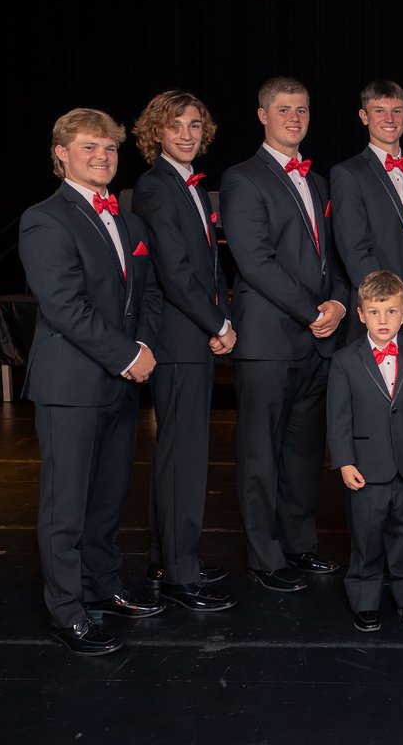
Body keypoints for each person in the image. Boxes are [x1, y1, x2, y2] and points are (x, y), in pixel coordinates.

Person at [19, 108, 165, 655]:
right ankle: (68, 612)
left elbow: (148, 294)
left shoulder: (128, 220)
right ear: (61, 154)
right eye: (89, 147)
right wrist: (128, 355)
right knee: (66, 507)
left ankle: (102, 587)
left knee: (108, 499)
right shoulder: (44, 219)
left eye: (109, 148)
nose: (102, 157)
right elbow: (65, 306)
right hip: (71, 386)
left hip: (120, 383)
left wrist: (143, 347)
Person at [221, 76, 350, 592]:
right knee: (260, 453)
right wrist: (312, 310)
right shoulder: (242, 178)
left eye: (302, 110)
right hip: (268, 341)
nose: (294, 118)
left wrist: (338, 302)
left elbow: (334, 256)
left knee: (303, 452)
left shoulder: (318, 183)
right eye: (284, 109)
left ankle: (300, 543)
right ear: (262, 115)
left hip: (318, 339)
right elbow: (255, 261)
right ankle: (265, 556)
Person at [330, 79, 403, 569]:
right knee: (372, 430)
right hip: (380, 319)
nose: (389, 118)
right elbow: (355, 251)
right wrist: (395, 310)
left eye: (397, 110)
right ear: (364, 116)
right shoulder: (347, 174)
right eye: (379, 110)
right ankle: (367, 550)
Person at [130, 90, 236, 613]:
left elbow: (209, 267)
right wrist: (219, 323)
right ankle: (180, 573)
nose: (187, 134)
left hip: (193, 336)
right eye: (176, 126)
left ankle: (164, 558)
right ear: (157, 132)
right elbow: (174, 273)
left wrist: (219, 319)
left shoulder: (186, 183)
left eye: (195, 125)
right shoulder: (155, 186)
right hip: (178, 340)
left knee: (177, 453)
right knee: (184, 458)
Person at [327, 271, 403, 632]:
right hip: (366, 465)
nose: (383, 320)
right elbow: (338, 418)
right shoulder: (345, 360)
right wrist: (345, 462)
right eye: (374, 312)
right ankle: (365, 599)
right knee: (366, 536)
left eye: (391, 311)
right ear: (361, 314)